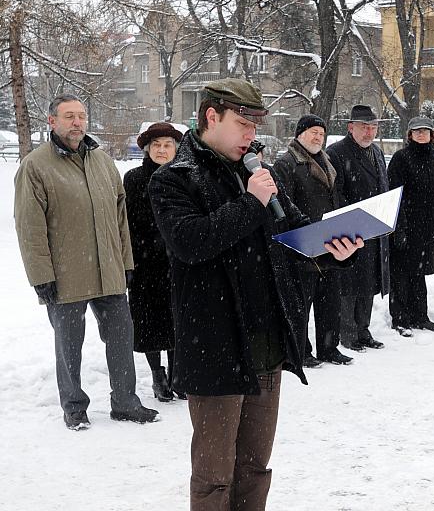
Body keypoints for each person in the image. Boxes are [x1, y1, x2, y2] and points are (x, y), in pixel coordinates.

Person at [147, 78, 361, 510]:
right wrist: (250, 203)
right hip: (214, 348)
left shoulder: (255, 173)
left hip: (266, 345)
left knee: (255, 467)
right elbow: (192, 242)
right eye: (243, 124)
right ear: (212, 117)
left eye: (255, 125)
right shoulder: (174, 179)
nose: (252, 135)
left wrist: (336, 248)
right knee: (214, 478)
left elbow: (293, 234)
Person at [14, 93, 158, 430]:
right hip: (65, 274)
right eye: (69, 117)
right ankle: (74, 406)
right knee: (69, 344)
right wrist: (41, 276)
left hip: (109, 270)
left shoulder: (103, 161)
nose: (77, 123)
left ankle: (125, 401)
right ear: (52, 122)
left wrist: (126, 262)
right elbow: (29, 226)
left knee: (122, 337)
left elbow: (120, 218)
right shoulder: (36, 166)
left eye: (81, 116)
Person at [274, 114, 353, 367]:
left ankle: (329, 347)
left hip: (329, 241)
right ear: (300, 135)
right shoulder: (287, 163)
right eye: (313, 133)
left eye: (321, 133)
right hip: (302, 243)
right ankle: (298, 351)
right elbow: (282, 207)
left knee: (330, 300)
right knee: (300, 303)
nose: (318, 137)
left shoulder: (327, 161)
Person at [124, 122, 184, 402]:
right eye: (157, 145)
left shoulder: (185, 176)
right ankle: (157, 375)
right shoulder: (134, 179)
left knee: (178, 320)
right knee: (149, 323)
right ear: (148, 149)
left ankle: (176, 374)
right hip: (144, 264)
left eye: (168, 145)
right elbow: (128, 224)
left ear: (176, 149)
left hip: (178, 263)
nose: (162, 150)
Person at [328, 105, 389, 352]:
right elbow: (336, 194)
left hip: (375, 228)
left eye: (373, 127)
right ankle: (348, 333)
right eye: (364, 127)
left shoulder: (376, 152)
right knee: (350, 284)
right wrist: (354, 218)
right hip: (350, 229)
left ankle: (363, 330)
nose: (369, 132)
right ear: (350, 127)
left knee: (369, 283)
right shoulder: (336, 153)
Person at [387, 117, 434, 336]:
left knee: (420, 273)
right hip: (406, 225)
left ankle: (420, 316)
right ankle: (401, 319)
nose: (421, 134)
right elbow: (395, 195)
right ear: (409, 135)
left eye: (425, 131)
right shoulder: (401, 158)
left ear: (431, 134)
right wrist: (399, 228)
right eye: (416, 131)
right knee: (402, 274)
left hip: (428, 226)